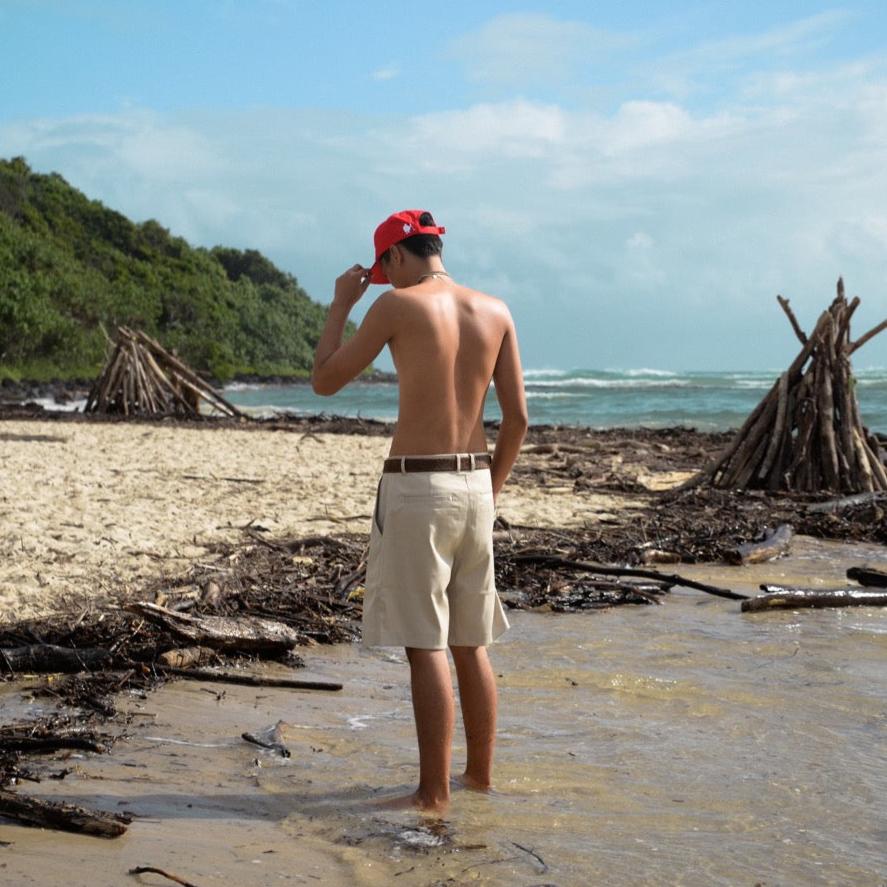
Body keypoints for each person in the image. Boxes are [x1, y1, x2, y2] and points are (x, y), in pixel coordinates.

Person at [311, 209, 528, 813]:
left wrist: (339, 306)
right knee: (471, 642)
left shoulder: (396, 307)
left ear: (396, 258)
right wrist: (492, 493)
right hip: (475, 485)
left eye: (386, 270)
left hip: (418, 487)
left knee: (425, 644)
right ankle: (479, 780)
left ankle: (432, 796)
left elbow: (324, 381)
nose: (388, 280)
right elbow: (517, 420)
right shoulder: (496, 309)